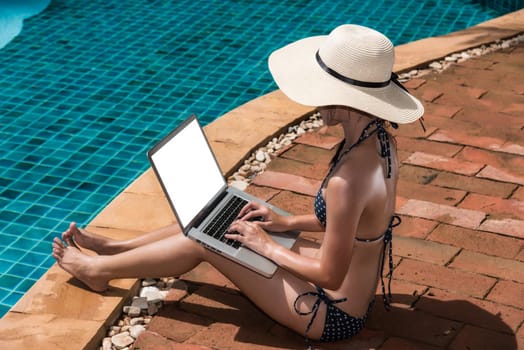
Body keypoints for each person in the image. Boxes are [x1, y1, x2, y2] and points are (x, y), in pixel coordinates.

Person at [52, 24, 424, 348]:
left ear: (346, 98)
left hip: (330, 313)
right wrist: (285, 223)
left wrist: (265, 246)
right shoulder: (379, 142)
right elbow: (352, 224)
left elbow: (330, 274)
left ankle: (99, 271)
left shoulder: (348, 178)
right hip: (349, 295)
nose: (313, 102)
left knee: (206, 237)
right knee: (217, 210)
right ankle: (118, 248)